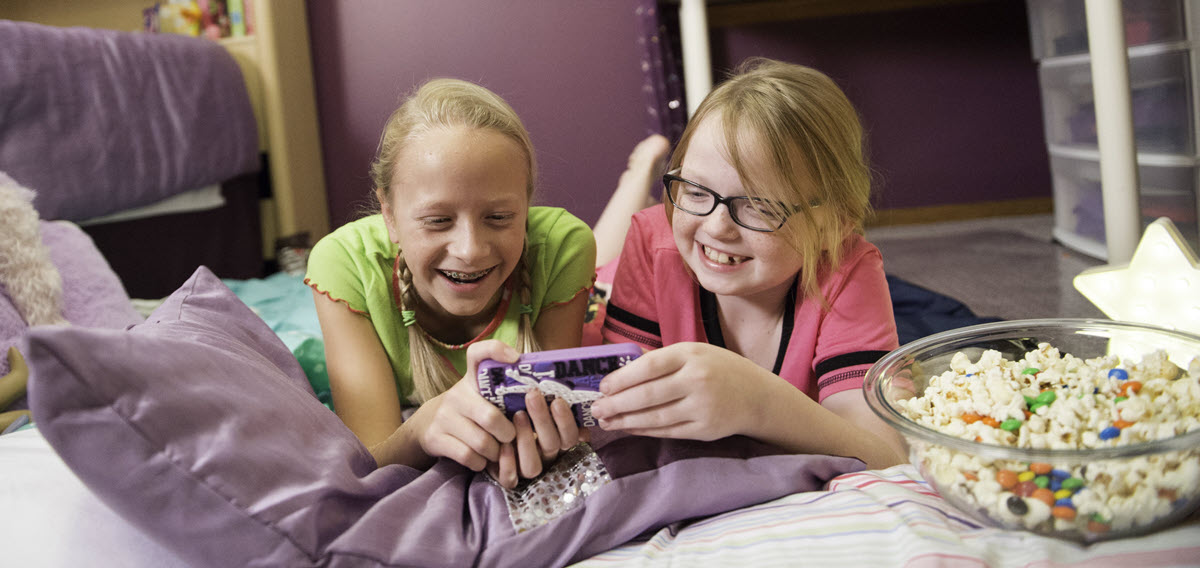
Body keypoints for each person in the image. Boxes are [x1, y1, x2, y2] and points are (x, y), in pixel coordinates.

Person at [590, 58, 907, 469]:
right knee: (594, 266)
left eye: (759, 205)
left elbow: (886, 454)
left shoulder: (849, 269)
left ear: (834, 222)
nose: (718, 227)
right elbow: (611, 410)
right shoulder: (654, 240)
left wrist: (758, 402)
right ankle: (636, 177)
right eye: (696, 190)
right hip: (620, 280)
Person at [305, 78, 597, 488]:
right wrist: (420, 429)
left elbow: (548, 417)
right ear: (388, 214)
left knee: (613, 251)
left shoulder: (563, 246)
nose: (470, 250)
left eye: (499, 218)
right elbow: (370, 460)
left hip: (583, 287)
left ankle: (635, 176)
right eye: (438, 221)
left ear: (527, 207)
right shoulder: (344, 264)